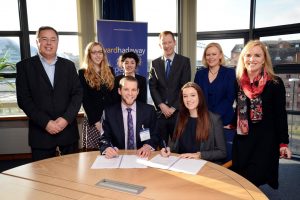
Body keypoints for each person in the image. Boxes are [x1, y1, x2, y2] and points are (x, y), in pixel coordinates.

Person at [16, 26, 83, 161]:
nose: (49, 43)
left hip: (68, 133)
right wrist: (46, 122)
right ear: (37, 42)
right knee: (42, 178)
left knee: (72, 177)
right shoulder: (24, 67)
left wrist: (65, 119)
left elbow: (77, 95)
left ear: (57, 42)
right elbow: (24, 100)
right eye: (44, 39)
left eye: (53, 40)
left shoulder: (69, 66)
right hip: (41, 135)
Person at [232, 40, 292, 189]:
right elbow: (240, 109)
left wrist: (283, 143)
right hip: (243, 140)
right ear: (243, 58)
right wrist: (233, 123)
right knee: (241, 179)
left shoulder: (275, 83)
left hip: (264, 142)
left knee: (253, 181)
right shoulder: (238, 82)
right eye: (248, 55)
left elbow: (280, 115)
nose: (252, 59)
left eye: (257, 55)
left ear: (264, 59)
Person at [160, 82, 226, 164]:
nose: (188, 99)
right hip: (181, 163)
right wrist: (168, 149)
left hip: (202, 166)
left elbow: (222, 152)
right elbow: (174, 142)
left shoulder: (214, 119)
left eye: (193, 95)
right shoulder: (180, 116)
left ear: (200, 97)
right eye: (185, 96)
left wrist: (199, 155)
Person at [194, 42, 236, 162]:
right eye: (208, 54)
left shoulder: (229, 73)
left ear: (220, 56)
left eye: (214, 54)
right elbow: (196, 96)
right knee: (205, 156)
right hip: (203, 121)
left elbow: (230, 98)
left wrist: (212, 117)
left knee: (223, 156)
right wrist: (205, 117)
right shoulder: (200, 74)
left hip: (224, 121)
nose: (211, 57)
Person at [99, 76, 160, 158]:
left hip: (142, 157)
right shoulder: (109, 112)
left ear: (138, 91)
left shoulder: (149, 111)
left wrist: (147, 146)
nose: (130, 93)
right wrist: (108, 148)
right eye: (126, 89)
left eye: (133, 90)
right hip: (118, 157)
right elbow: (104, 137)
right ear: (119, 91)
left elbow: (155, 135)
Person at [149, 31, 191, 144]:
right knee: (161, 146)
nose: (167, 46)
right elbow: (152, 87)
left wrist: (173, 108)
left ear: (175, 42)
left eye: (169, 42)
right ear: (160, 45)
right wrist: (162, 105)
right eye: (164, 43)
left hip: (178, 112)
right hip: (160, 113)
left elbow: (185, 87)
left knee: (179, 146)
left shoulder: (184, 62)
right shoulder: (154, 63)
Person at [78, 42, 115, 150]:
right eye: (94, 52)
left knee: (111, 151)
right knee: (93, 155)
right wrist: (97, 122)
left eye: (100, 52)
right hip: (93, 120)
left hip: (109, 118)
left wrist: (113, 118)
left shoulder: (110, 70)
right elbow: (85, 100)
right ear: (89, 55)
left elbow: (113, 96)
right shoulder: (82, 73)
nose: (98, 55)